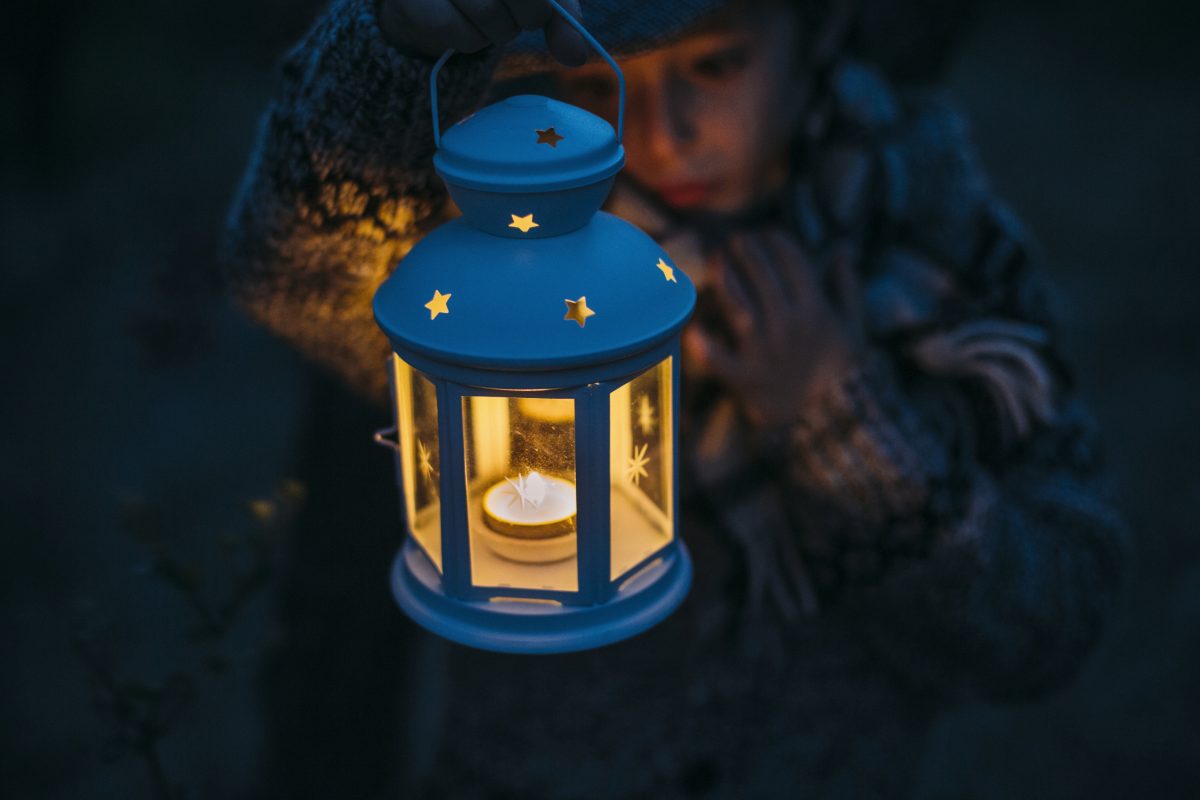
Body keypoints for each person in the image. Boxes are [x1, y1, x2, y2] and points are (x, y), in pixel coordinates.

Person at [223, 0, 1127, 796]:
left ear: (821, 25)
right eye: (592, 89)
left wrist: (840, 423)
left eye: (716, 63)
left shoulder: (934, 244)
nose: (660, 133)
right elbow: (290, 276)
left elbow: (1049, 625)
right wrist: (390, 48)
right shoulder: (495, 268)